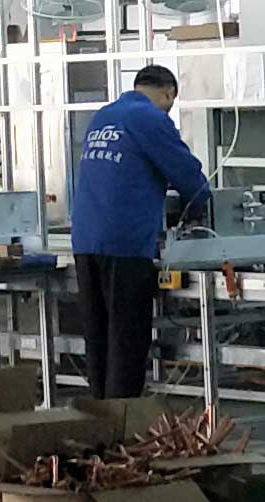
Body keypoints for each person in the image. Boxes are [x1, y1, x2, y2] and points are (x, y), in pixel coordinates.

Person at [70, 62, 209, 400]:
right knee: (126, 340)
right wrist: (202, 205)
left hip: (86, 241)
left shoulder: (103, 116)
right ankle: (123, 419)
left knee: (99, 338)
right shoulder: (150, 118)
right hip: (125, 244)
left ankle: (101, 415)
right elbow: (186, 173)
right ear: (168, 93)